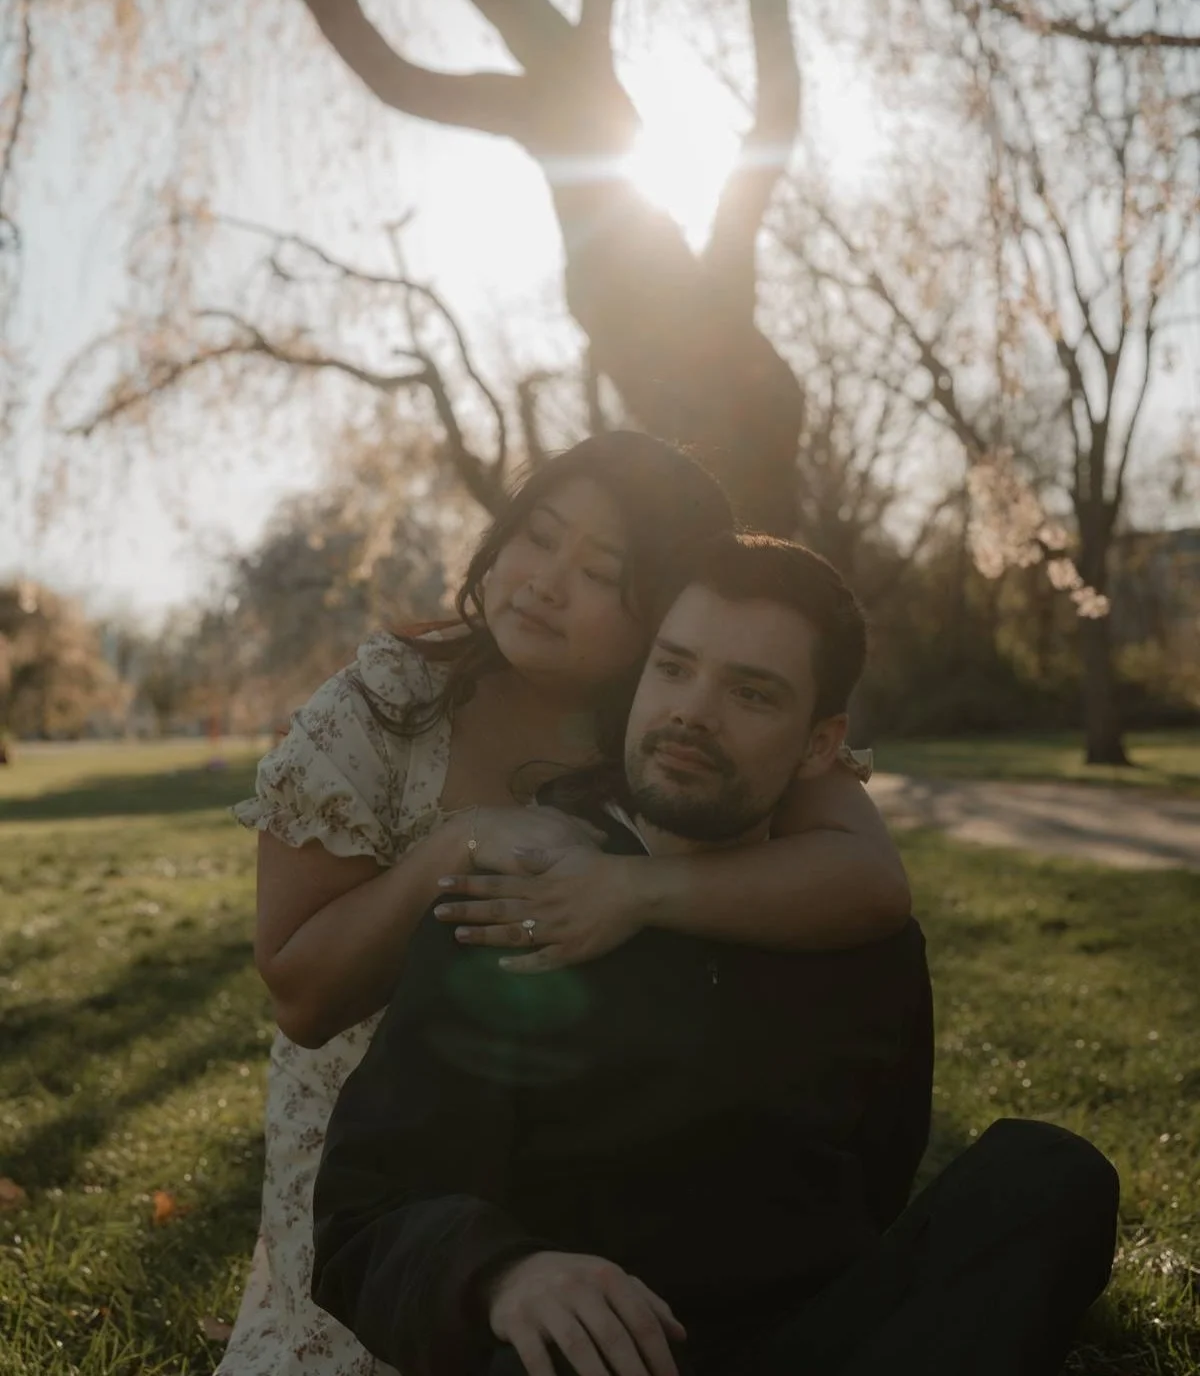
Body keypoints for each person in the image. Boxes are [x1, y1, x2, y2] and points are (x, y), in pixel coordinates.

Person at [311, 534, 1120, 1376]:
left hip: (825, 1339)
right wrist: (507, 1274)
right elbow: (364, 1214)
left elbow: (879, 1180)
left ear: (819, 745)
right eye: (673, 667)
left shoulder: (856, 940)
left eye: (752, 692)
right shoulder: (510, 906)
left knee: (1050, 1175)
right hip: (616, 1353)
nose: (694, 711)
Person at [221, 434, 911, 1376]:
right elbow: (300, 997)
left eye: (600, 571)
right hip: (378, 1164)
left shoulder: (684, 711)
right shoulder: (388, 700)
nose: (544, 582)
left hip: (573, 1135)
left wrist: (633, 888)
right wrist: (447, 853)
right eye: (536, 537)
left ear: (665, 604)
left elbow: (869, 884)